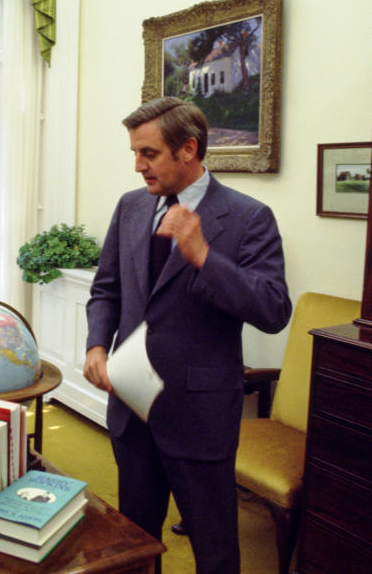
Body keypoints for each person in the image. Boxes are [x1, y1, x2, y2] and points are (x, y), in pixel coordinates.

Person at [84, 97, 291, 573]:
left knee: (215, 550)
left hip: (199, 416)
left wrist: (203, 256)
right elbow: (107, 290)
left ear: (188, 149)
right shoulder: (132, 206)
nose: (138, 166)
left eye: (149, 153)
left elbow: (274, 309)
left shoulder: (248, 217)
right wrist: (97, 345)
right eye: (135, 153)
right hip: (132, 410)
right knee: (135, 540)